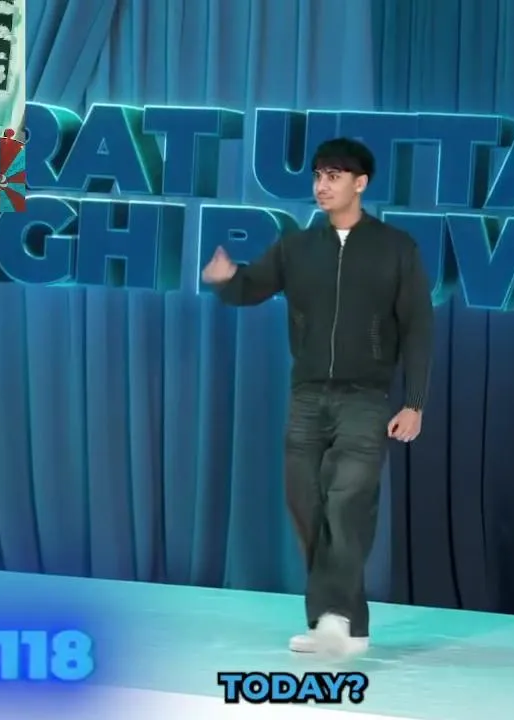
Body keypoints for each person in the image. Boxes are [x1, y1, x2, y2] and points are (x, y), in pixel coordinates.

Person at [202, 138, 434, 657]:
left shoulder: (396, 248)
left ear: (360, 183)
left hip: (365, 398)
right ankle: (347, 624)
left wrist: (414, 401)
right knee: (306, 506)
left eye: (334, 176)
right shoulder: (298, 247)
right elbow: (251, 287)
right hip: (307, 396)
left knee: (347, 503)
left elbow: (418, 327)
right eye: (318, 176)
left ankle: (333, 618)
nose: (322, 186)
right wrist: (227, 280)